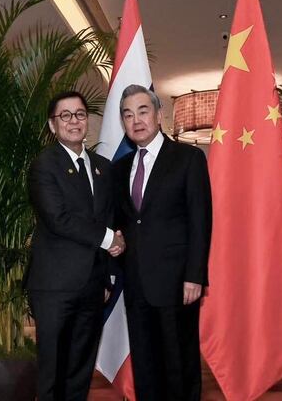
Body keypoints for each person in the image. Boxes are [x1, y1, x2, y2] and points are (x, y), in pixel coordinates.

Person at [113, 84, 212, 401]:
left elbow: (200, 221)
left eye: (143, 111)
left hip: (177, 283)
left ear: (158, 115)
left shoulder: (188, 158)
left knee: (178, 365)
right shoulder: (119, 169)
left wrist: (195, 275)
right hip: (136, 284)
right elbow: (121, 225)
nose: (136, 120)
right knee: (145, 367)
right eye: (128, 115)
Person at [26, 90, 125, 401]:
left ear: (87, 120)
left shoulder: (103, 167)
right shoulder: (44, 165)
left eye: (80, 114)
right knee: (53, 371)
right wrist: (109, 239)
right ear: (52, 125)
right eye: (65, 115)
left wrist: (107, 276)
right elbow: (59, 219)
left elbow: (108, 217)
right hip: (54, 287)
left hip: (93, 286)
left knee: (81, 369)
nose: (74, 121)